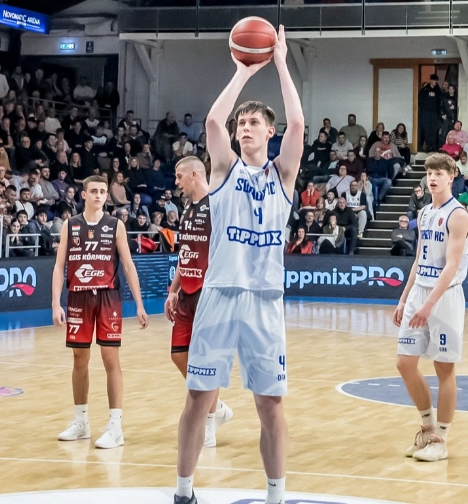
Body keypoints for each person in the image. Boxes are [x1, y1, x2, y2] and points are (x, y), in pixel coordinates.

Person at [175, 24, 304, 504]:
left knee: (270, 406)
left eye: (254, 123)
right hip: (220, 293)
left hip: (265, 300)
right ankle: (183, 491)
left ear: (270, 132)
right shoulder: (224, 169)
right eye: (241, 123)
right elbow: (213, 122)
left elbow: (299, 125)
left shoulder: (282, 174)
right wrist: (243, 72)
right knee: (198, 399)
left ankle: (275, 495)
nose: (244, 127)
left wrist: (282, 64)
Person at [51, 175, 149, 448]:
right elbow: (59, 266)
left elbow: (128, 265)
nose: (98, 195)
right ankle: (81, 421)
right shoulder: (70, 225)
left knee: (110, 359)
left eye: (102, 191)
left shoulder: (116, 225)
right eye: (93, 191)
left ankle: (115, 426)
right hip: (78, 297)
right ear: (83, 195)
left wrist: (139, 304)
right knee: (79, 359)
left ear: (107, 196)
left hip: (108, 297)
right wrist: (56, 303)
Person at [391, 153, 468, 463]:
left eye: (439, 173)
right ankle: (427, 426)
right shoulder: (424, 213)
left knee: (443, 368)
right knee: (404, 363)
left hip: (445, 296)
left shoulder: (458, 215)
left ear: (451, 176)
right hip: (419, 291)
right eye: (429, 173)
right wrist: (404, 299)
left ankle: (441, 438)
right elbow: (418, 259)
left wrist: (429, 303)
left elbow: (452, 265)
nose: (433, 178)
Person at [164, 156, 234, 449]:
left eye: (179, 176)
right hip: (186, 294)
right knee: (179, 355)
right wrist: (173, 290)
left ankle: (209, 424)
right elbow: (185, 254)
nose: (176, 182)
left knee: (207, 360)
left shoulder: (217, 206)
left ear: (194, 175)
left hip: (209, 294)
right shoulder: (187, 210)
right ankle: (217, 407)